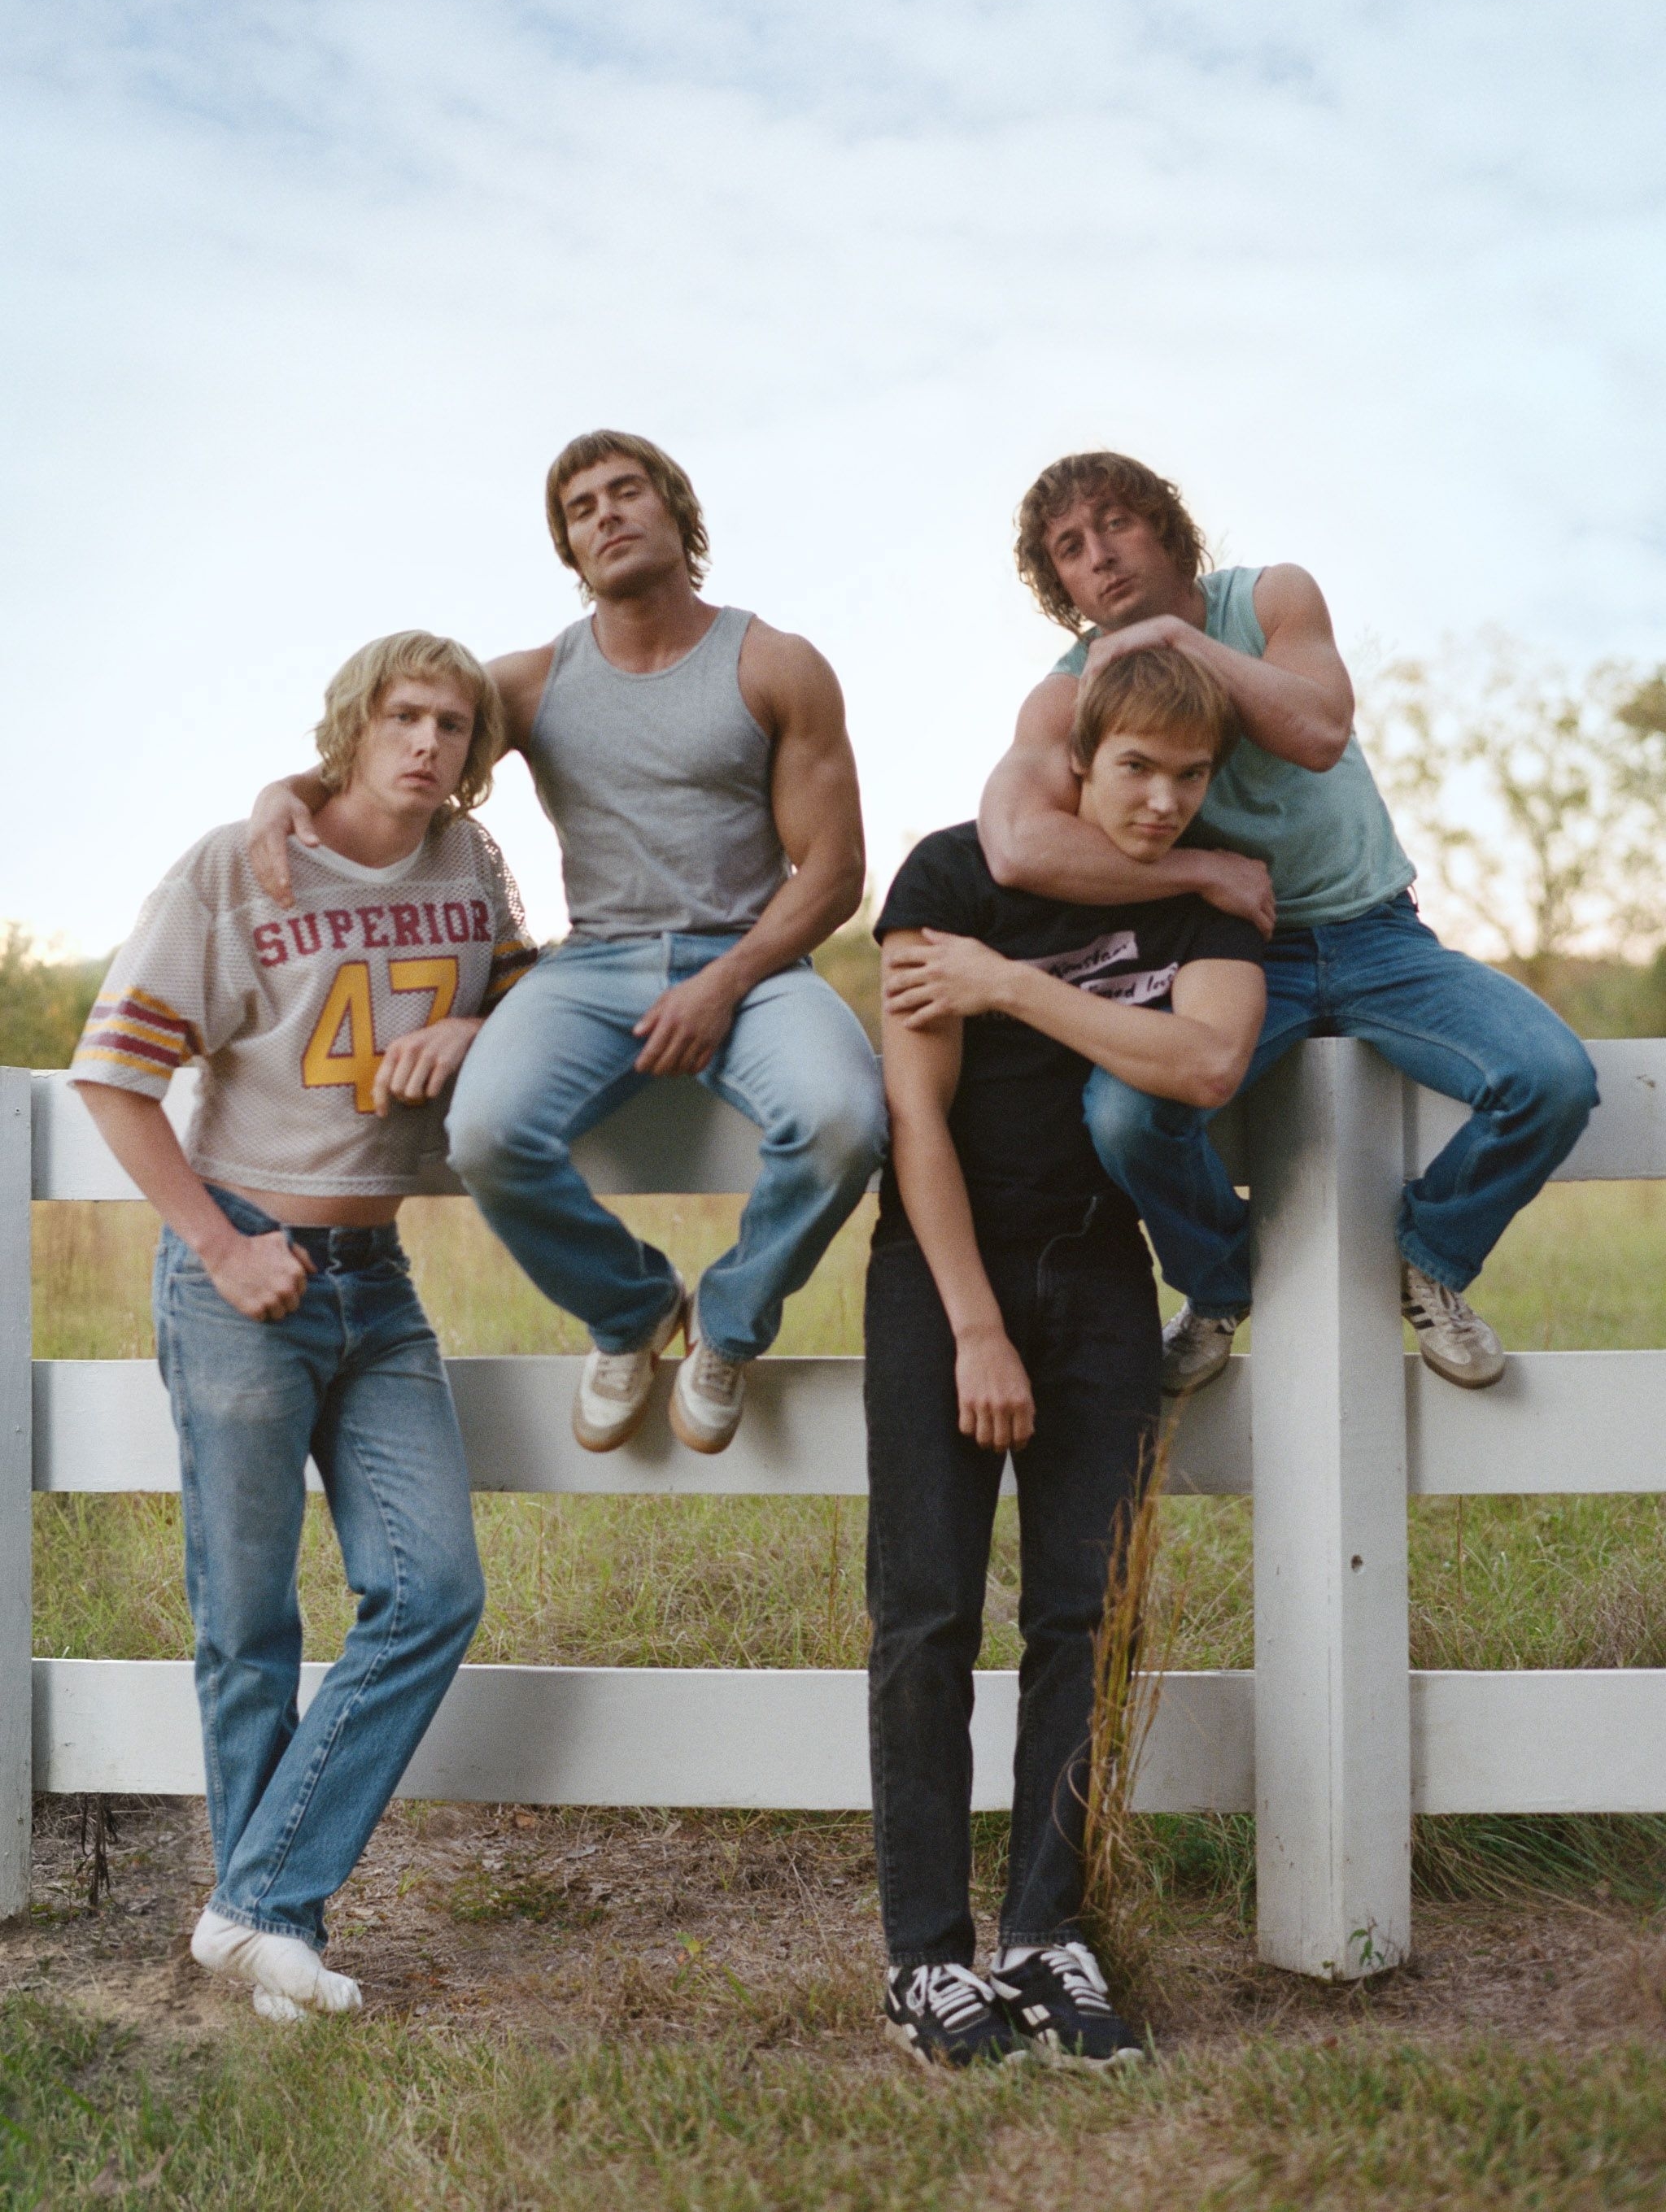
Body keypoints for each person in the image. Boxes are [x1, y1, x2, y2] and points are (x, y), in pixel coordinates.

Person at [250, 432, 886, 1457]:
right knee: (487, 1134)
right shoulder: (536, 683)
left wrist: (723, 984)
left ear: (677, 511)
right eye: (580, 509)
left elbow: (836, 874)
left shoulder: (774, 663)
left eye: (625, 492)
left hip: (756, 962)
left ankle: (725, 1324)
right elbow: (400, 739)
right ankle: (633, 1308)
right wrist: (289, 791)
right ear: (570, 551)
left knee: (845, 1119)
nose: (605, 514)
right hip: (593, 966)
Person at [72, 632, 536, 2021]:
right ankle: (281, 1925)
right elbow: (113, 1074)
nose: (427, 743)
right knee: (248, 1619)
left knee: (433, 1588)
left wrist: (480, 1025)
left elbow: (522, 982)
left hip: (376, 1280)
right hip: (242, 1275)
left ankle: (252, 1902)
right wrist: (218, 1244)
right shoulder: (242, 861)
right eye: (403, 715)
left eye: (453, 724)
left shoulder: (473, 866)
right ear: (348, 729)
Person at [979, 451, 1598, 1395]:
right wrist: (1199, 867)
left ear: (1164, 528)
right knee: (1125, 1114)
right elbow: (1018, 846)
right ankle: (1217, 1289)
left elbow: (1317, 732)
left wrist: (1176, 644)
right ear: (1056, 580)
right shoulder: (1068, 692)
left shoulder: (1269, 598)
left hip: (1376, 933)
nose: (1097, 557)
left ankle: (1430, 1255)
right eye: (1069, 547)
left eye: (1114, 524)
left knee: (1550, 1077)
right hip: (1227, 952)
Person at [868, 644, 1266, 2067]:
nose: (1160, 802)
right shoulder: (946, 878)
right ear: (1077, 762)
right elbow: (916, 1121)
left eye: (1186, 776)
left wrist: (1009, 987)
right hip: (943, 1274)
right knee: (924, 1617)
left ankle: (1045, 1933)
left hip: (1105, 1278)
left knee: (1076, 1619)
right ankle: (923, 1956)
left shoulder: (1213, 897)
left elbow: (1202, 1065)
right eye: (1133, 770)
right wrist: (973, 1322)